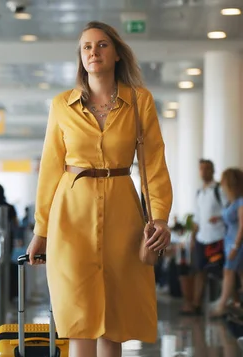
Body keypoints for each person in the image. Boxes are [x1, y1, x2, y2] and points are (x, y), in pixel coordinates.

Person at [25, 21, 172, 357]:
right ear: (81, 56)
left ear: (117, 53)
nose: (94, 52)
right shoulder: (62, 104)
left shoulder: (140, 101)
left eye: (102, 45)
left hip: (123, 213)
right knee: (78, 315)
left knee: (115, 318)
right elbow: (50, 169)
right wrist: (41, 230)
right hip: (70, 216)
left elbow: (154, 164)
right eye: (87, 47)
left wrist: (160, 216)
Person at [181, 159, 227, 315]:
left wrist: (219, 218)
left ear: (212, 170)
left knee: (220, 271)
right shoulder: (199, 192)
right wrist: (193, 238)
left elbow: (228, 209)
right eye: (201, 169)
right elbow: (197, 219)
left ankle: (225, 304)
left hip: (217, 238)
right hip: (202, 238)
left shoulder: (219, 190)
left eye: (207, 168)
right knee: (199, 271)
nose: (204, 172)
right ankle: (196, 304)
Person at [210, 168, 243, 317]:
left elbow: (242, 225)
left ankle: (222, 305)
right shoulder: (233, 201)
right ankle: (236, 304)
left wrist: (236, 246)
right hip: (230, 241)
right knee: (240, 273)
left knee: (228, 271)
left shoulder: (241, 201)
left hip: (237, 243)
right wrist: (218, 218)